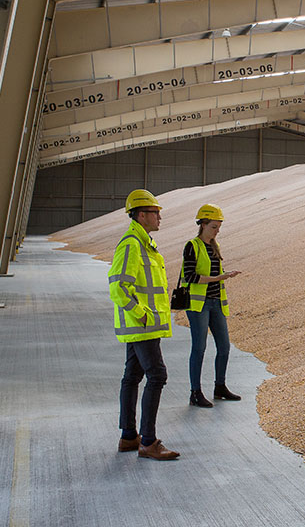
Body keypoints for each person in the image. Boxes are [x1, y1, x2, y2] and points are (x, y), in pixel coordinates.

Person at [108, 189, 180, 460]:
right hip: (142, 325)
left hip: (144, 324)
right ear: (141, 215)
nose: (159, 217)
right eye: (155, 212)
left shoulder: (144, 243)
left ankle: (129, 436)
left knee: (133, 376)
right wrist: (142, 314)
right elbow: (118, 287)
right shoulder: (131, 244)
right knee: (157, 375)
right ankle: (148, 442)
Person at [181, 203, 242, 407]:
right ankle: (195, 392)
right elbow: (189, 276)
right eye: (214, 227)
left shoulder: (214, 247)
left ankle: (220, 387)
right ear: (203, 224)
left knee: (224, 346)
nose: (217, 231)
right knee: (199, 348)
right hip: (198, 306)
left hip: (216, 303)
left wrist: (223, 277)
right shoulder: (192, 246)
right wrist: (220, 277)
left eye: (219, 227)